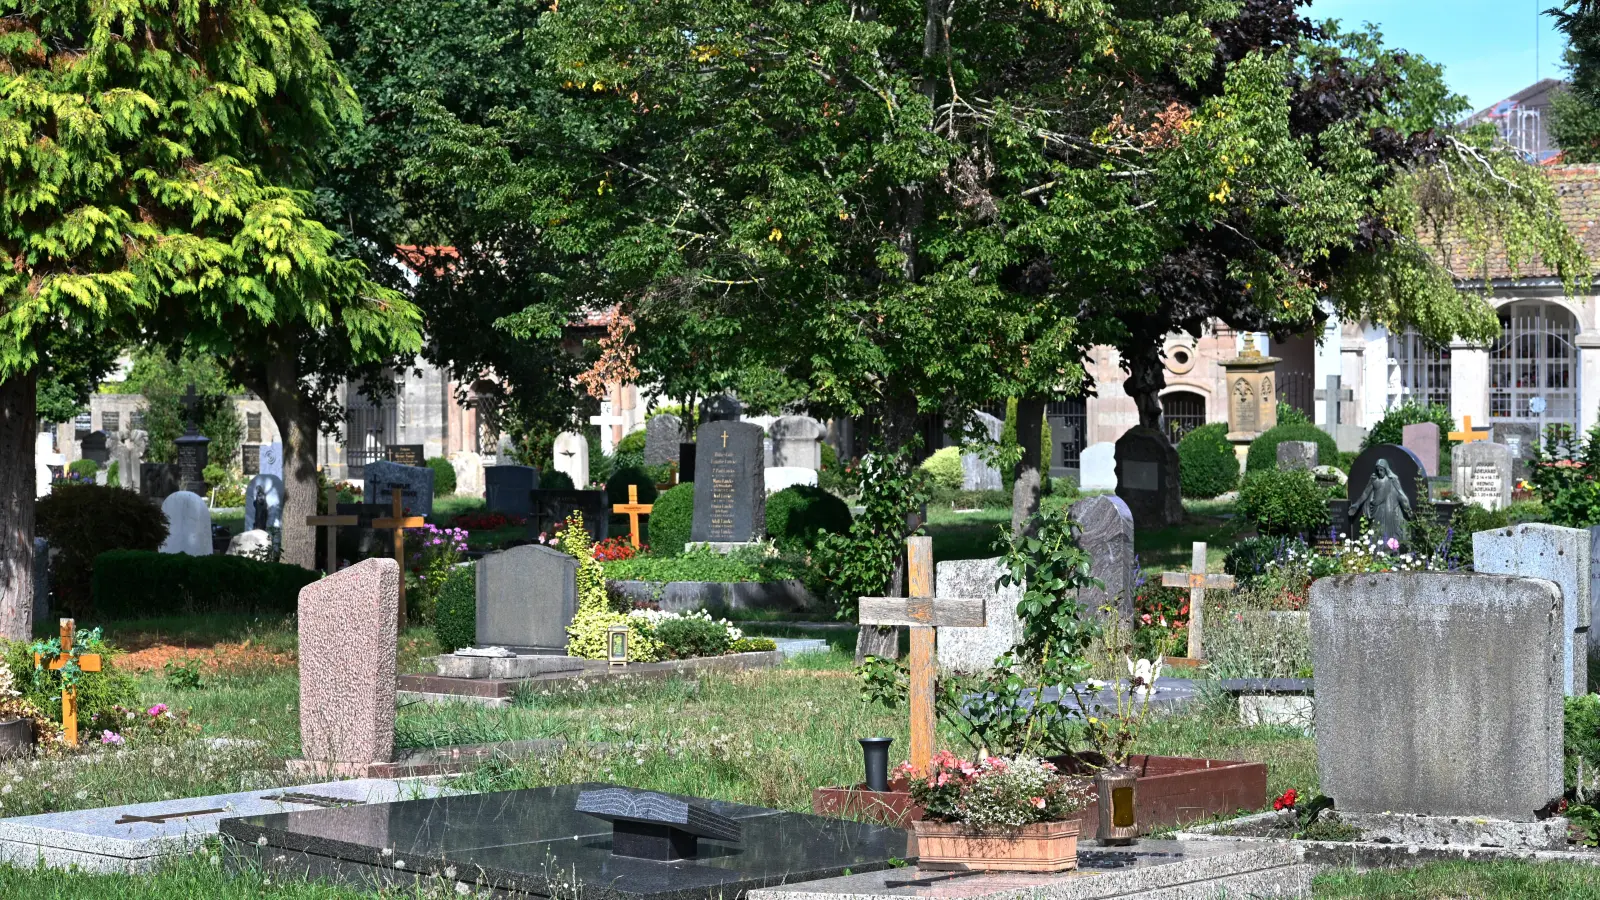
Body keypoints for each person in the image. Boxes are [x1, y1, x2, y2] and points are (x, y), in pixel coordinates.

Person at [1351, 458, 1412, 546]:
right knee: (1376, 533)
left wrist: (1408, 508)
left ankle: (1390, 552)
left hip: (1389, 510)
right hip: (1377, 510)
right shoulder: (1374, 479)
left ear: (1386, 469)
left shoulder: (1392, 480)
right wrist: (1356, 505)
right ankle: (1377, 553)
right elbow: (1365, 493)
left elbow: (1401, 494)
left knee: (1389, 534)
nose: (1379, 472)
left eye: (1381, 470)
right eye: (1378, 470)